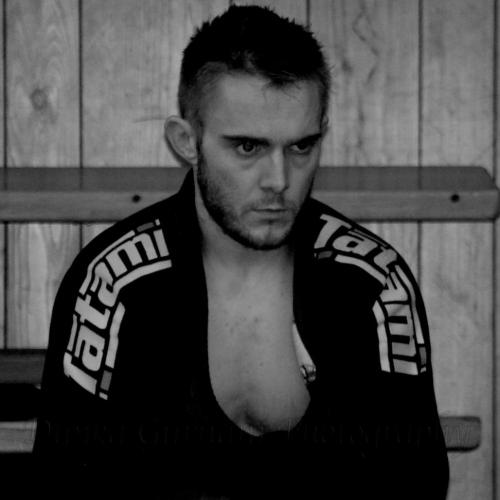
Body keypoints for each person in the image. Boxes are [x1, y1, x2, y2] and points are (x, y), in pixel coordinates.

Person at [33, 5, 449, 499]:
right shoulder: (115, 286)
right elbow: (63, 482)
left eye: (301, 147)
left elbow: (415, 483)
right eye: (248, 148)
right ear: (186, 141)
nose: (279, 181)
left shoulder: (372, 285)